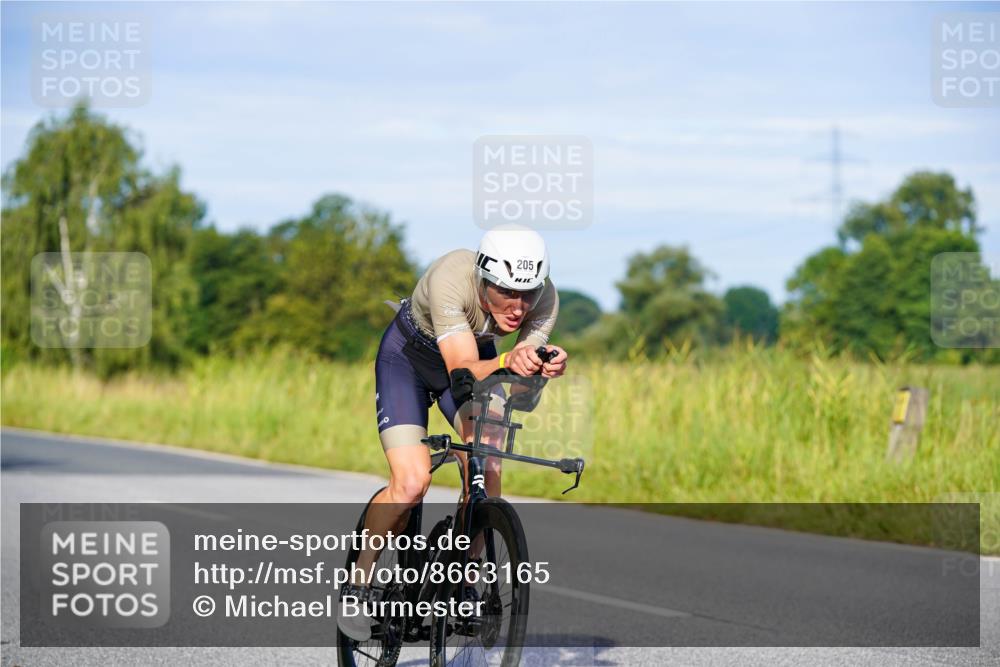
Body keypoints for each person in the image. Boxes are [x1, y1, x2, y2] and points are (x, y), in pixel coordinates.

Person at [337, 225, 567, 641]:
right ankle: (360, 581)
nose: (518, 307)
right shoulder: (450, 277)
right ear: (483, 279)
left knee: (487, 467)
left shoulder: (545, 299)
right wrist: (509, 360)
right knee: (411, 482)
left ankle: (462, 581)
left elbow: (519, 397)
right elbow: (461, 370)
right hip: (408, 361)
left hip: (475, 361)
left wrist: (539, 371)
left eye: (527, 293)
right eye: (506, 292)